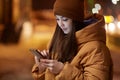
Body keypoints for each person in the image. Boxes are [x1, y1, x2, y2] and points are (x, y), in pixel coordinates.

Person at [32, 0, 113, 80]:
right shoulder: (58, 41)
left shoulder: (96, 49)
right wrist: (43, 69)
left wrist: (62, 70)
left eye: (65, 19)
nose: (60, 24)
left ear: (76, 20)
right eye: (57, 19)